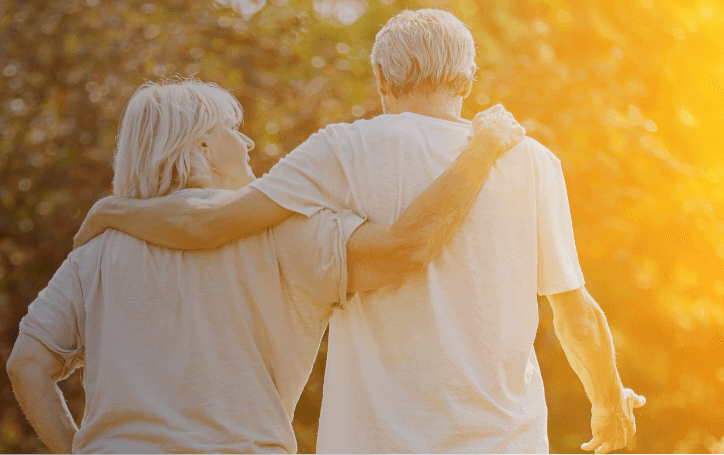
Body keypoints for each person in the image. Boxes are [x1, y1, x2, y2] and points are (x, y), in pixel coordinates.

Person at [71, 10, 644, 454]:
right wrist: (607, 400)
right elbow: (577, 315)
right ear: (468, 77)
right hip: (504, 442)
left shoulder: (341, 150)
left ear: (380, 78)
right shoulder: (532, 160)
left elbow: (210, 225)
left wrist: (111, 212)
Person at [7, 77, 524, 453]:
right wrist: (481, 150)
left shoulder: (96, 250)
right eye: (234, 129)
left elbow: (26, 364)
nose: (248, 142)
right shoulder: (287, 235)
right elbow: (404, 249)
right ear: (204, 147)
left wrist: (77, 448)